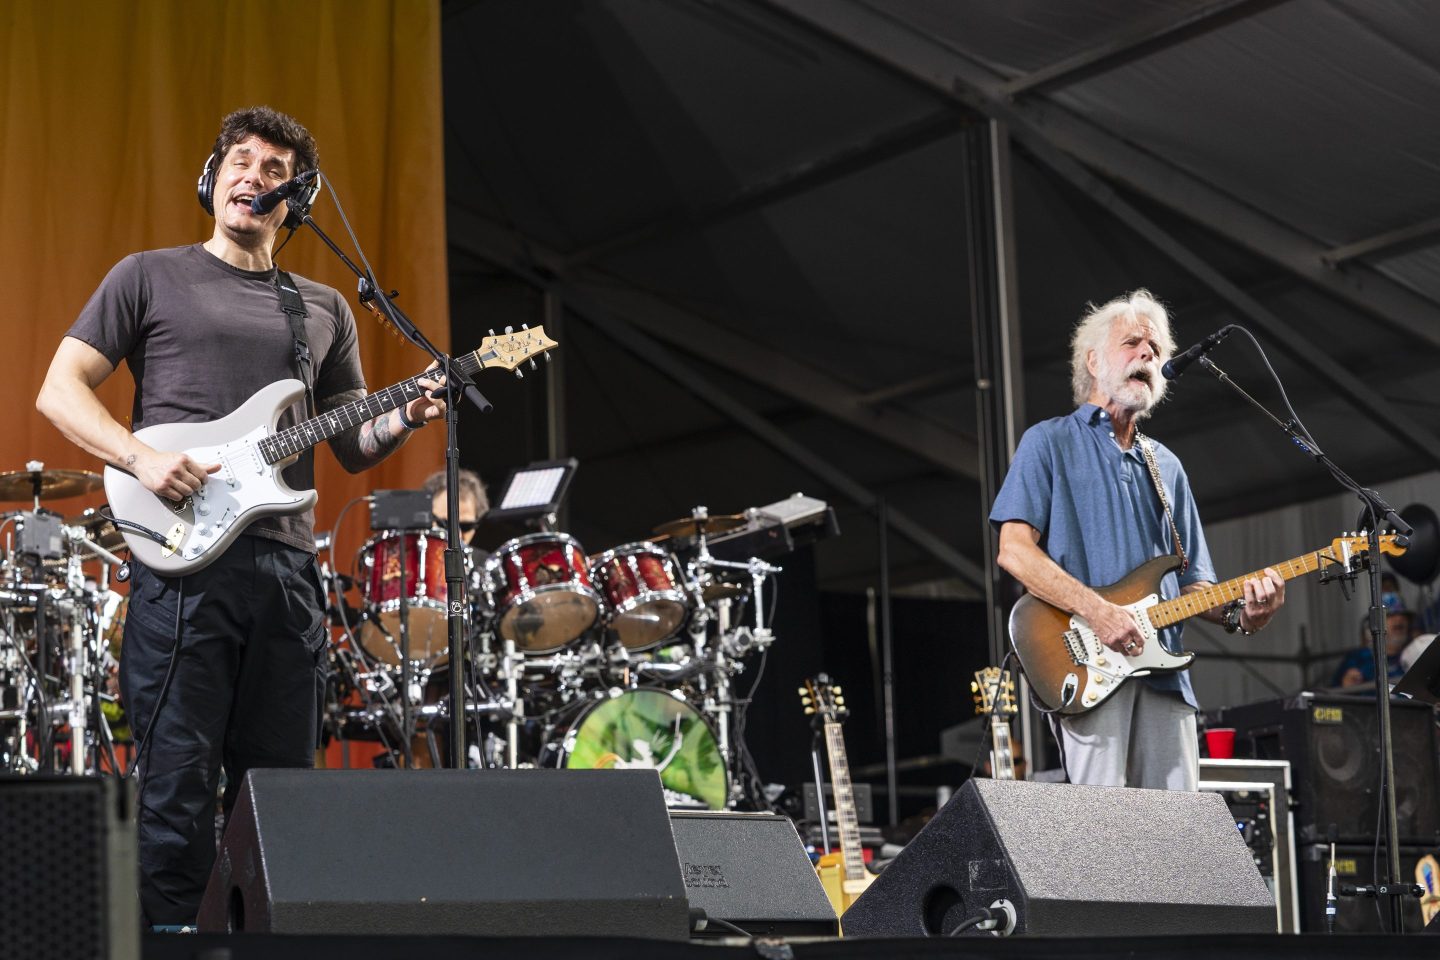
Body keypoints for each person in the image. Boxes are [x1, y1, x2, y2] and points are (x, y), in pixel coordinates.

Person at [35, 106, 447, 927]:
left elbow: (354, 440)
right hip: (182, 565)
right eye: (240, 160)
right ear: (211, 176)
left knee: (278, 789)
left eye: (272, 169)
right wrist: (141, 456)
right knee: (178, 784)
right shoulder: (148, 274)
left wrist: (404, 416)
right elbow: (58, 390)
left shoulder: (322, 306)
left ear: (296, 198)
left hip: (286, 570)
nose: (252, 176)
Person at [990, 290, 1286, 791]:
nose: (1148, 354)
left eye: (1155, 347)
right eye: (1132, 343)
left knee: (1179, 842)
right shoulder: (1050, 441)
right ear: (1093, 360)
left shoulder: (1165, 464)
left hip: (1166, 679)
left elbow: (1196, 588)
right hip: (1089, 668)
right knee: (1107, 841)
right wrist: (1098, 612)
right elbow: (1013, 550)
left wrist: (1243, 615)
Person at [1333, 592, 1416, 688]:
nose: (1399, 619)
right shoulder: (1358, 659)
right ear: (1374, 623)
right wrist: (1346, 686)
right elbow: (1333, 694)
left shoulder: (1415, 654)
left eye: (1402, 616)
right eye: (1390, 615)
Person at [422, 466, 488, 546]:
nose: (457, 536)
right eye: (445, 524)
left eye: (466, 526)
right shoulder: (404, 556)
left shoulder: (485, 558)